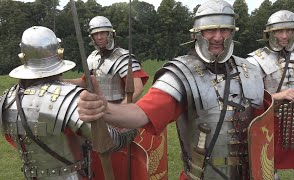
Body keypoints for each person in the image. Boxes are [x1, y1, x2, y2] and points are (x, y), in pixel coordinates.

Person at [77, 1, 274, 179]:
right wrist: (106, 109)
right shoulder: (181, 73)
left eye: (224, 30)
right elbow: (141, 113)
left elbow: (262, 130)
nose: (218, 37)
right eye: (210, 30)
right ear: (197, 33)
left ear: (232, 32)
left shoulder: (251, 71)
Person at [0, 26, 137, 180]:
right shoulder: (70, 98)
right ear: (59, 53)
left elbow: (14, 138)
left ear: (23, 56)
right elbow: (108, 141)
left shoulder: (7, 99)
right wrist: (131, 127)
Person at [67, 16, 168, 179]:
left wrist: (121, 114)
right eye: (96, 34)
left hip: (119, 115)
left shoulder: (123, 57)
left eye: (103, 33)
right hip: (100, 115)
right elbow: (85, 82)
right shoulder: (92, 58)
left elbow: (136, 87)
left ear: (111, 34)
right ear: (91, 37)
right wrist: (58, 81)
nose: (100, 37)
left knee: (121, 162)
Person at [247, 10, 294, 180]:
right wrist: (277, 96)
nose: (285, 36)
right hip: (267, 126)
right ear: (269, 33)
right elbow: (247, 97)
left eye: (289, 31)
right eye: (279, 31)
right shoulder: (255, 60)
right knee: (266, 174)